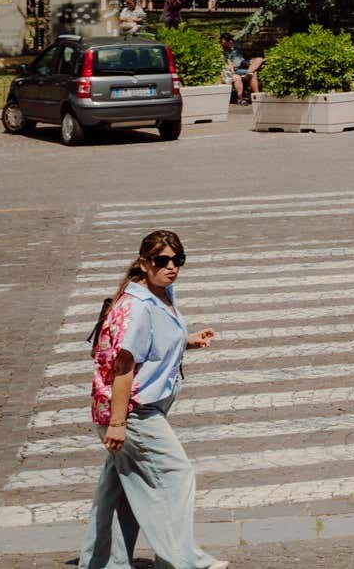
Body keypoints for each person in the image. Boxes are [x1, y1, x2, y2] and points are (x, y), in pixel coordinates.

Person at [81, 230, 225, 569]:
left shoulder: (160, 294)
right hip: (134, 414)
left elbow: (149, 348)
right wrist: (118, 424)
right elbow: (124, 367)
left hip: (138, 411)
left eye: (178, 260)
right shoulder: (140, 306)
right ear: (144, 263)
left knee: (118, 494)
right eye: (162, 261)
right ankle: (181, 560)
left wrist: (185, 342)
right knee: (176, 475)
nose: (171, 267)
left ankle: (103, 563)